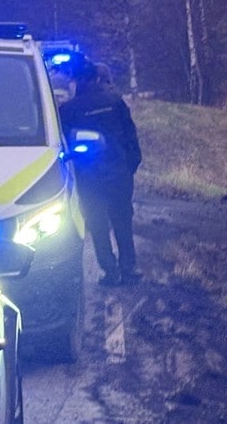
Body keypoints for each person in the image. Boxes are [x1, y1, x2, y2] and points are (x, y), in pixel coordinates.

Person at [57, 53, 143, 286]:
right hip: (119, 173)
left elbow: (62, 145)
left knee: (97, 225)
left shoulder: (68, 111)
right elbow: (131, 137)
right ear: (96, 78)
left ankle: (110, 271)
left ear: (75, 81)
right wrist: (130, 166)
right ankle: (129, 268)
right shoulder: (115, 101)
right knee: (123, 221)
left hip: (89, 177)